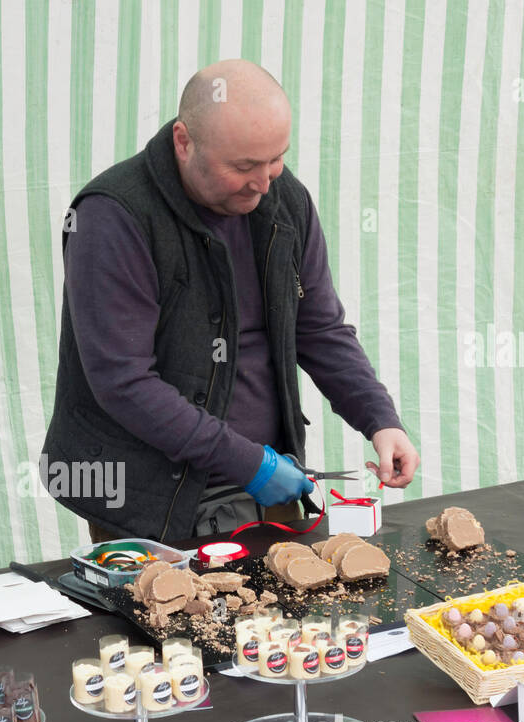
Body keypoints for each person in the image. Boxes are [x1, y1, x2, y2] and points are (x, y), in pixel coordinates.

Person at [41, 59, 419, 543]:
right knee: (183, 618)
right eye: (243, 166)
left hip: (268, 483)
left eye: (276, 158)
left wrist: (378, 418)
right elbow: (123, 382)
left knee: (280, 619)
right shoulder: (113, 218)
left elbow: (320, 328)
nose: (264, 183)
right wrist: (250, 463)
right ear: (184, 141)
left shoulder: (285, 201)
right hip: (150, 499)